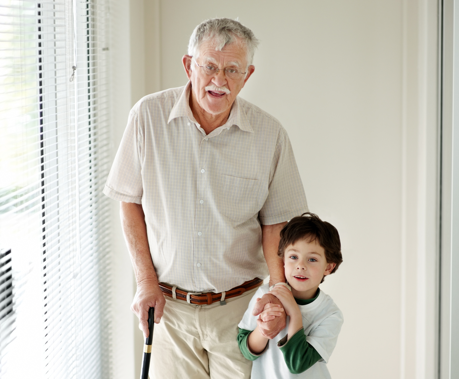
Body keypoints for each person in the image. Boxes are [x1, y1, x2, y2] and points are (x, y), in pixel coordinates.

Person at [104, 17, 307, 378]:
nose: (220, 80)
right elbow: (128, 201)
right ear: (188, 66)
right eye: (209, 66)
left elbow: (277, 223)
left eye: (233, 70)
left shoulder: (270, 135)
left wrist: (278, 289)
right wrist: (145, 281)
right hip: (169, 309)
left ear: (248, 75)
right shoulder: (147, 117)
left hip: (242, 312)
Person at [238, 212, 344, 378]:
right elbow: (246, 350)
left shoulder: (330, 314)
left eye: (312, 259)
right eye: (293, 257)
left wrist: (294, 313)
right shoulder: (266, 294)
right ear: (283, 261)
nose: (300, 266)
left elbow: (298, 363)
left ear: (328, 267)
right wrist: (263, 330)